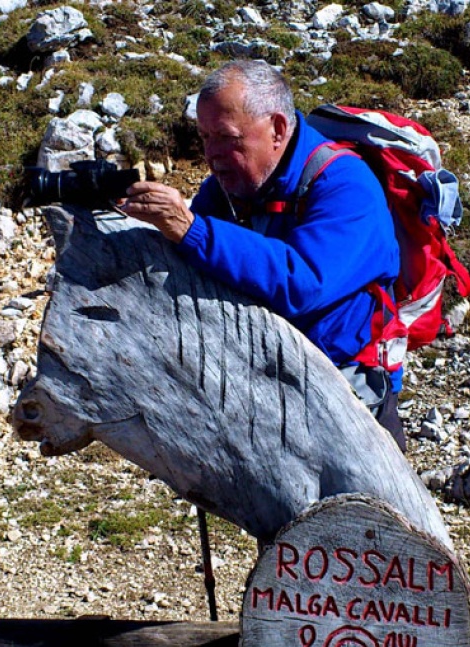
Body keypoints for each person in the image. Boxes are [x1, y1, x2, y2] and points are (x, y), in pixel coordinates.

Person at [116, 59, 406, 453]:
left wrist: (190, 228)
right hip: (267, 383)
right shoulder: (229, 186)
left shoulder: (347, 186)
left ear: (277, 130)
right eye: (204, 138)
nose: (212, 155)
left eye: (227, 138)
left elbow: (301, 282)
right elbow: (194, 259)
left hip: (347, 391)